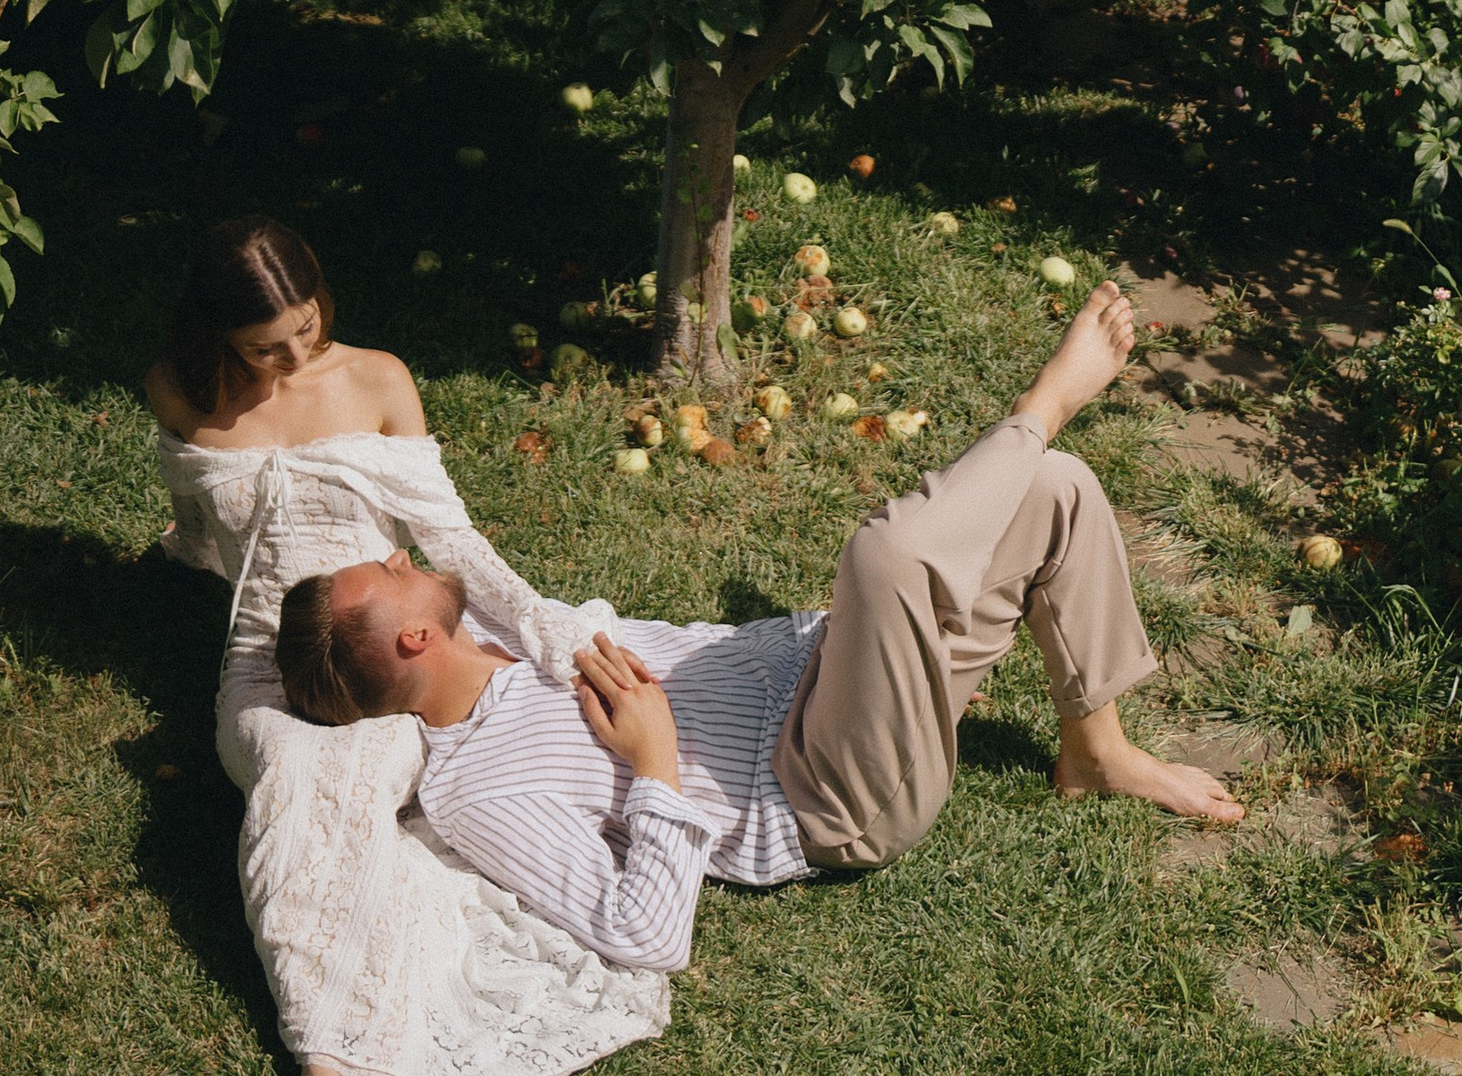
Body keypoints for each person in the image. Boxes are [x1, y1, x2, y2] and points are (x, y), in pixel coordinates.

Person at [273, 281, 1238, 970]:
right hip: (825, 790)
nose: (399, 556)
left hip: (835, 672)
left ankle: (1096, 751)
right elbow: (643, 933)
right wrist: (653, 761)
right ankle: (1044, 404)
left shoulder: (500, 628)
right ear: (411, 643)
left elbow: (448, 533)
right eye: (387, 576)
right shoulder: (478, 790)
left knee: (1054, 491)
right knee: (885, 556)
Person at [148, 213, 670, 1076]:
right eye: (265, 347)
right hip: (268, 657)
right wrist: (184, 551)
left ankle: (377, 1054)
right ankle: (319, 1052)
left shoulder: (378, 379)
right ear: (216, 333)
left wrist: (541, 623)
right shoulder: (180, 389)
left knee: (378, 797)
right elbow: (195, 512)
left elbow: (450, 539)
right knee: (290, 773)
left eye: (306, 329)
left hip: (382, 653)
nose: (292, 358)